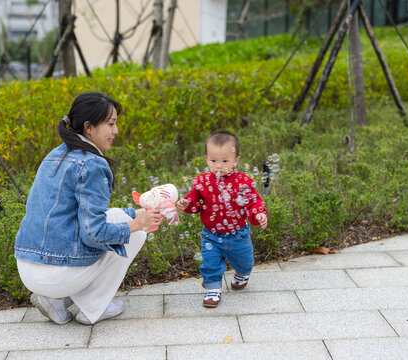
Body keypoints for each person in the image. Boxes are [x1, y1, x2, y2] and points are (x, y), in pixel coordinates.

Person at [14, 92, 164, 325]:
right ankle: (93, 308)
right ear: (89, 128)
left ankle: (57, 302)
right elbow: (93, 234)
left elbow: (72, 216)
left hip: (28, 266)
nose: (115, 131)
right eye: (111, 124)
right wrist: (137, 224)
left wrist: (135, 214)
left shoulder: (55, 154)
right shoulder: (92, 163)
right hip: (57, 274)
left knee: (118, 216)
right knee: (135, 233)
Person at [177, 131, 268, 308]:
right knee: (210, 263)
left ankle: (242, 274)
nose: (218, 166)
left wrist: (258, 213)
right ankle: (212, 289)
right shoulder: (202, 182)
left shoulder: (243, 182)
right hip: (211, 235)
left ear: (236, 160)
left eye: (225, 161)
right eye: (213, 161)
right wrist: (186, 203)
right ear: (206, 159)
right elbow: (194, 202)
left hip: (238, 234)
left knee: (245, 262)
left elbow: (253, 201)